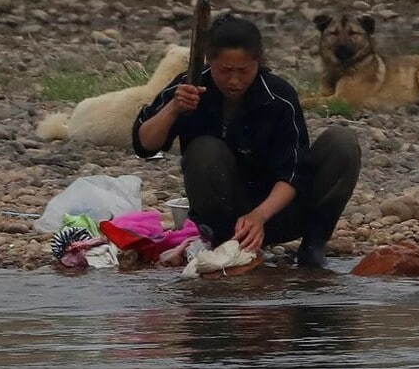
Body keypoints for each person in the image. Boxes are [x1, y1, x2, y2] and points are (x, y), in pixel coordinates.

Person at [132, 14, 361, 268]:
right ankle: (222, 245)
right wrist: (173, 108)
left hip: (279, 212)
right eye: (225, 71)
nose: (234, 80)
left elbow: (294, 172)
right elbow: (144, 144)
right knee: (205, 150)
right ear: (210, 62)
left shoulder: (278, 97)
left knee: (342, 142)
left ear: (257, 62)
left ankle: (313, 245)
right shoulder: (189, 88)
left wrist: (259, 216)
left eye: (243, 71)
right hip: (225, 216)